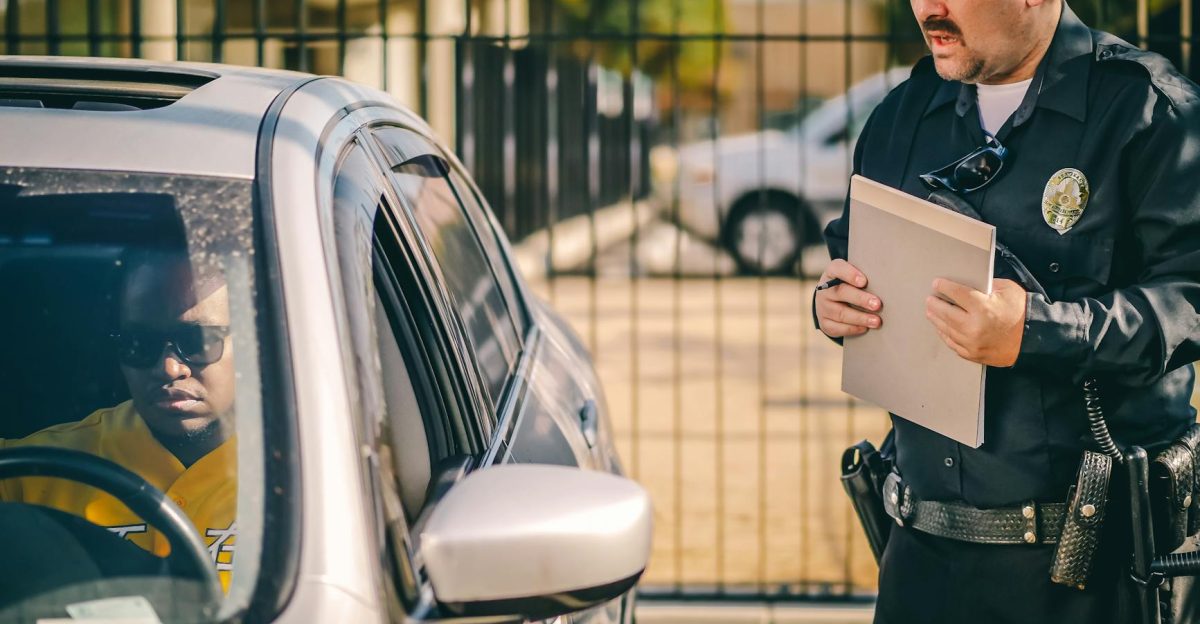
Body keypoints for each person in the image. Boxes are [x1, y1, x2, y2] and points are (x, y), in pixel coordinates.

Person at [815, 0, 1200, 622]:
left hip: (1092, 571)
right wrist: (833, 305)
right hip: (921, 559)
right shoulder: (901, 115)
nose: (928, 9)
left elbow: (1189, 297)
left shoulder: (1147, 111)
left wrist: (1036, 333)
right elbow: (850, 256)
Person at [0, 250, 238, 592]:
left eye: (198, 340)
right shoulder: (20, 474)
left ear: (255, 342)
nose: (169, 368)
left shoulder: (322, 479)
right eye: (139, 343)